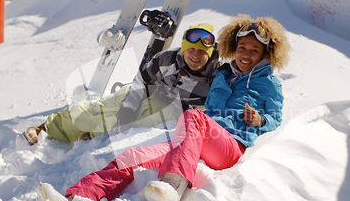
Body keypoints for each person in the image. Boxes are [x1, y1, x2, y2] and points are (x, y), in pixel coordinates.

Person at [37, 14, 291, 201]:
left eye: (254, 50)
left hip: (229, 146)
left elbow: (276, 119)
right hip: (197, 142)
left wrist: (260, 120)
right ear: (233, 48)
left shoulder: (268, 83)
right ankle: (77, 196)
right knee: (132, 156)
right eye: (242, 48)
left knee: (193, 116)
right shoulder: (222, 76)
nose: (246, 54)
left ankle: (173, 184)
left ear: (266, 54)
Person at [23, 23, 220, 145]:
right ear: (184, 47)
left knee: (132, 123)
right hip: (151, 92)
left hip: (174, 114)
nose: (196, 55)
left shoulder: (217, 78)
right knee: (105, 107)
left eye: (203, 51)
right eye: (191, 48)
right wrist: (128, 107)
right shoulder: (167, 59)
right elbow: (141, 82)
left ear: (210, 53)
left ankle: (93, 134)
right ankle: (48, 128)